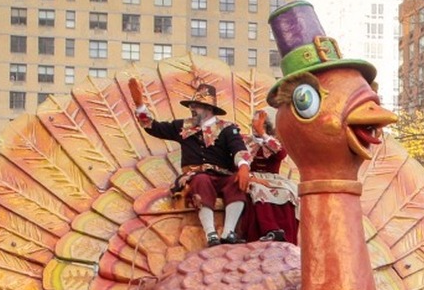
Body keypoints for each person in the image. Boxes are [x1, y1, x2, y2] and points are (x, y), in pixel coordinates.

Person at [128, 80, 251, 247]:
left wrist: (243, 166)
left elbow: (238, 148)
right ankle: (211, 233)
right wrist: (140, 105)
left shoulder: (227, 128)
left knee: (236, 182)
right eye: (192, 105)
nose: (192, 108)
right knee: (201, 180)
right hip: (195, 176)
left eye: (197, 106)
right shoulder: (183, 126)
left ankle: (229, 232)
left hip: (222, 175)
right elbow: (153, 127)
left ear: (209, 109)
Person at [239, 109, 299, 244]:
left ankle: (287, 235)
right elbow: (239, 160)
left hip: (273, 178)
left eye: (260, 124)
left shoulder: (273, 142)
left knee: (288, 193)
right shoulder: (244, 141)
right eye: (254, 123)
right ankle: (269, 229)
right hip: (252, 177)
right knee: (259, 190)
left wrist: (263, 133)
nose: (256, 126)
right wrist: (251, 178)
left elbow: (281, 154)